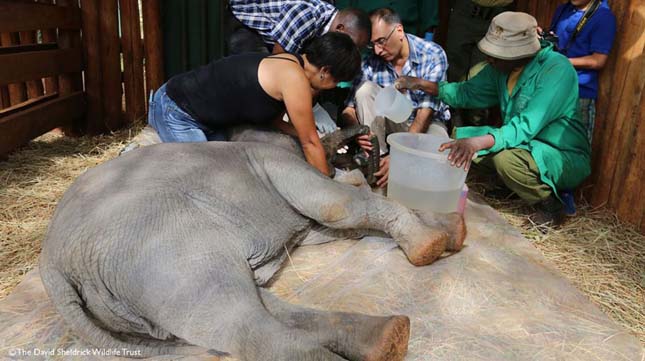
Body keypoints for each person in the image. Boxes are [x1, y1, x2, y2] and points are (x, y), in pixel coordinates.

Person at [394, 12, 591, 226]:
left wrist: (478, 142)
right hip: (523, 145)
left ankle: (550, 206)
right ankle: (513, 185)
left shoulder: (557, 70)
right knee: (457, 143)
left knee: (504, 160)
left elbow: (524, 127)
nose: (489, 58)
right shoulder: (500, 68)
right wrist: (423, 84)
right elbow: (467, 93)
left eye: (497, 54)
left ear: (518, 53)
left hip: (560, 154)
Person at [147, 33, 362, 177]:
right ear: (325, 71)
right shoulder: (294, 79)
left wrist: (306, 135)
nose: (331, 87)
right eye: (336, 81)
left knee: (232, 167)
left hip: (201, 115)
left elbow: (276, 119)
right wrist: (328, 187)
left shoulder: (289, 59)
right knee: (207, 175)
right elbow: (310, 144)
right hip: (175, 109)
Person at [341, 8, 450, 188]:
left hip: (425, 124)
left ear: (399, 30)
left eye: (381, 41)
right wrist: (357, 130)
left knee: (439, 161)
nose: (377, 50)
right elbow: (348, 109)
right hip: (388, 126)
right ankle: (377, 160)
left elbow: (426, 113)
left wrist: (400, 155)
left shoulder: (432, 54)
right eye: (372, 44)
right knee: (365, 90)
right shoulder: (371, 62)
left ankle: (399, 165)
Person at [548, 0, 616, 144]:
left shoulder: (604, 16)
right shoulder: (563, 9)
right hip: (552, 89)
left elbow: (598, 60)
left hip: (579, 95)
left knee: (576, 149)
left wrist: (563, 62)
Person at [227, 0, 371, 54]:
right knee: (261, 73)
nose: (351, 51)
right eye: (352, 45)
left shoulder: (328, 27)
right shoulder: (308, 16)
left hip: (273, 39)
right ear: (340, 28)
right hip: (244, 23)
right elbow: (279, 59)